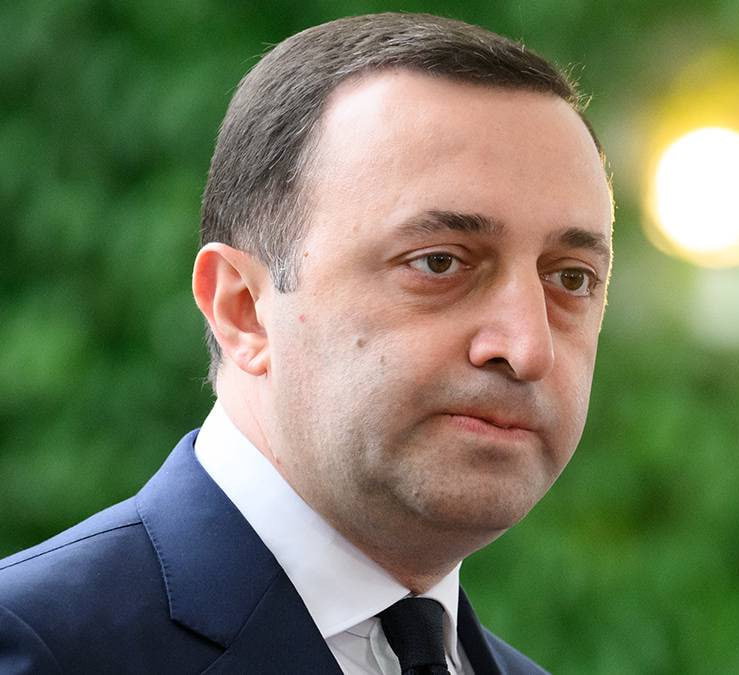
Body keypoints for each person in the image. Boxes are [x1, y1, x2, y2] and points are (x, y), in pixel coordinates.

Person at [0, 12, 612, 674]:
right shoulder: (40, 648)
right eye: (439, 262)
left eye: (571, 278)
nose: (529, 348)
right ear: (242, 309)